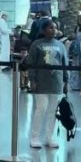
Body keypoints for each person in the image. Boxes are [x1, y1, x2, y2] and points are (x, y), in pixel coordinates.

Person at [26, 18, 68, 149]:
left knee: (53, 111)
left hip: (56, 82)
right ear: (44, 30)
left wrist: (66, 81)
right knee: (41, 108)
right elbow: (31, 63)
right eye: (50, 28)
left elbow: (65, 63)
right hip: (41, 82)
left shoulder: (60, 45)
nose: (53, 30)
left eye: (55, 28)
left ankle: (49, 137)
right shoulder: (36, 44)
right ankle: (34, 137)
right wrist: (32, 80)